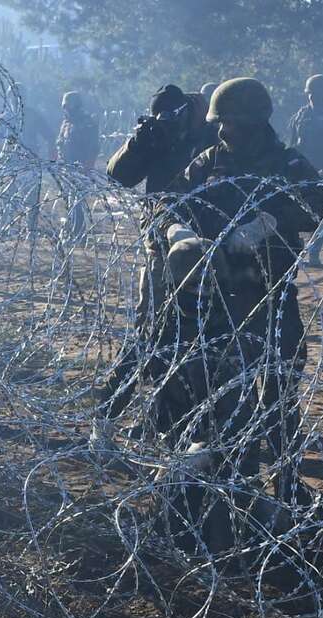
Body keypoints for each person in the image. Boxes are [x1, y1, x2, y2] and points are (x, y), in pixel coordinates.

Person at [171, 77, 323, 494]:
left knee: (279, 392)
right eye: (219, 122)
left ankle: (286, 481)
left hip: (272, 292)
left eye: (231, 122)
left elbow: (321, 205)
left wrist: (272, 221)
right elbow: (171, 204)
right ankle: (235, 481)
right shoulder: (206, 163)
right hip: (218, 296)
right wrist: (174, 230)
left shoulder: (287, 165)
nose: (223, 130)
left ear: (255, 122)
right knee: (224, 393)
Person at [100, 84, 213, 425]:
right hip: (163, 245)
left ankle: (166, 417)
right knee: (150, 329)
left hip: (208, 247)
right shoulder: (158, 137)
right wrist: (141, 140)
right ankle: (107, 412)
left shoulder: (211, 135)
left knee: (200, 336)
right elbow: (117, 175)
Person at [57, 91, 102, 242]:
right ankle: (72, 231)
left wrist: (87, 167)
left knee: (77, 202)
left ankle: (78, 234)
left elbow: (93, 147)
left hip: (80, 168)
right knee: (70, 201)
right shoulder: (67, 122)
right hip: (66, 168)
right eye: (65, 106)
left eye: (68, 105)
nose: (66, 109)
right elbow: (61, 143)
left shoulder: (87, 122)